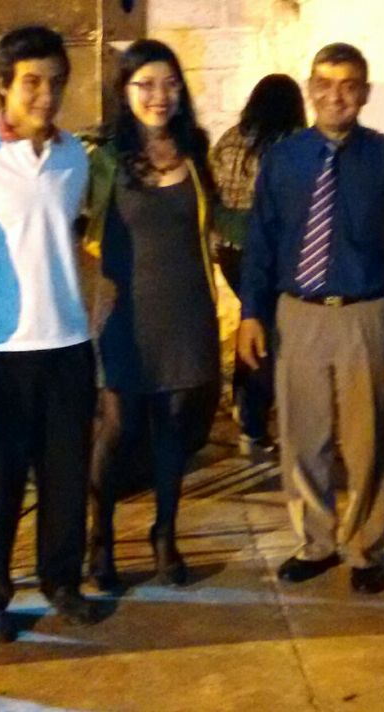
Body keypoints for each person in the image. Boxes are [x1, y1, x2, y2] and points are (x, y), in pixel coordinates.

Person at [0, 25, 100, 642]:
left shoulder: (72, 156)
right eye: (32, 82)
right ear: (2, 85)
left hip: (67, 342)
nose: (45, 95)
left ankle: (62, 582)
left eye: (56, 82)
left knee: (65, 477)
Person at [238, 43, 384, 595]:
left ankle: (364, 547)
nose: (336, 96)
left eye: (349, 85)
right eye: (324, 84)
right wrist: (251, 313)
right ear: (310, 90)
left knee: (367, 441)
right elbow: (261, 239)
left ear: (365, 93)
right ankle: (316, 543)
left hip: (363, 312)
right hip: (297, 312)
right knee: (303, 437)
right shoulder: (284, 158)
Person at [86, 39, 221, 591]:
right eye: (145, 84)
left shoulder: (195, 149)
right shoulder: (105, 159)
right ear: (124, 91)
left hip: (186, 310)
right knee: (117, 427)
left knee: (173, 429)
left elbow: (216, 223)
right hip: (125, 312)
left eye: (169, 84)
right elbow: (77, 227)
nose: (159, 96)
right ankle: (100, 537)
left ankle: (165, 534)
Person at [210, 73, 306, 455]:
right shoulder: (291, 144)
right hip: (268, 252)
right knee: (266, 331)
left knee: (251, 320)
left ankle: (242, 403)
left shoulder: (230, 139)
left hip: (229, 249)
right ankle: (253, 423)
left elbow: (214, 190)